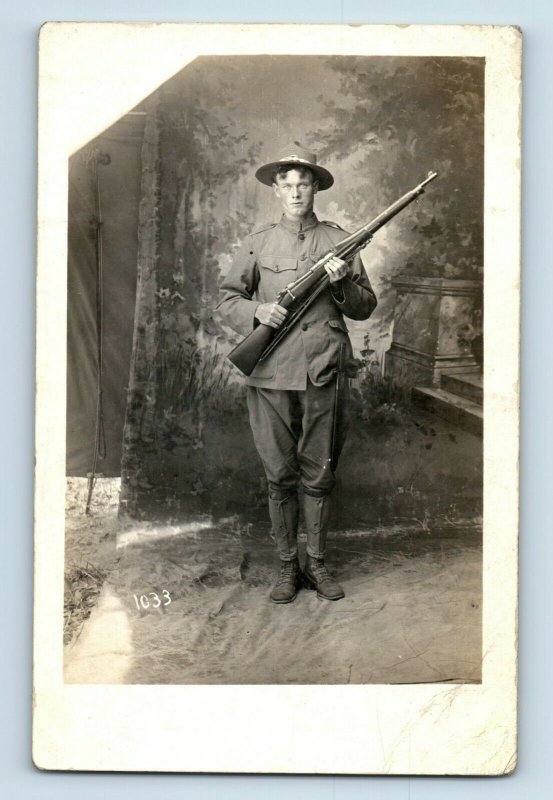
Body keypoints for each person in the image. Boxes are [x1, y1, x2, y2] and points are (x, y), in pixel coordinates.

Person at [217, 142, 377, 604]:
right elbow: (228, 299)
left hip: (323, 370)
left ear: (314, 189)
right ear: (274, 190)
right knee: (278, 475)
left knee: (320, 475)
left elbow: (365, 307)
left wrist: (342, 279)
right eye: (286, 184)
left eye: (302, 183)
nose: (294, 192)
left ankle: (318, 565)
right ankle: (288, 568)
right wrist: (259, 309)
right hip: (269, 373)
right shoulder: (259, 242)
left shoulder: (339, 240)